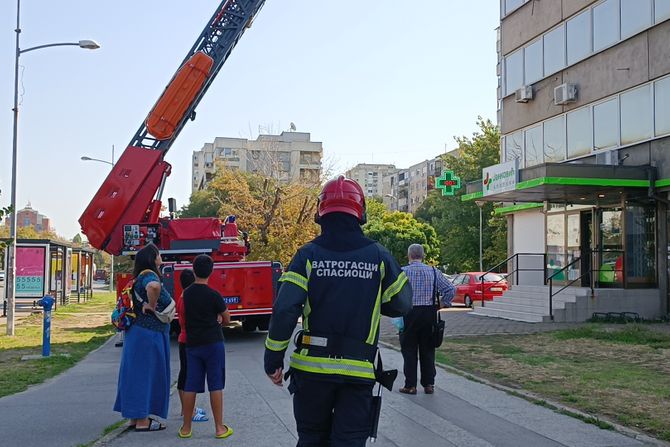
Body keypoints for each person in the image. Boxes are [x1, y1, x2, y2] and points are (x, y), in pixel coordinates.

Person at [264, 175, 413, 447]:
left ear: (321, 212)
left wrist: (273, 358)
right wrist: (370, 297)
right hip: (357, 374)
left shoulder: (306, 255)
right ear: (361, 212)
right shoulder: (379, 256)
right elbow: (402, 303)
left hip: (311, 373)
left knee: (311, 440)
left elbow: (285, 309)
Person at [113, 244, 171, 432]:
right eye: (158, 254)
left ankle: (135, 417)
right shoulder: (150, 276)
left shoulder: (138, 276)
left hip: (136, 332)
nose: (161, 256)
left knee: (135, 374)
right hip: (150, 333)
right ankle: (144, 421)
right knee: (149, 375)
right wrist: (152, 305)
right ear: (152, 258)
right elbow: (154, 287)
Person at [178, 254, 232, 439]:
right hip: (213, 343)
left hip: (193, 344)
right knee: (215, 385)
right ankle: (219, 428)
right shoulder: (214, 295)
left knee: (190, 385)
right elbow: (227, 318)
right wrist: (219, 321)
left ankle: (186, 428)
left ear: (194, 270)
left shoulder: (187, 294)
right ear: (211, 271)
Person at [399, 244, 455, 395]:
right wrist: (442, 304)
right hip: (429, 314)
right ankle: (429, 384)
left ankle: (410, 385)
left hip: (409, 314)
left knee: (409, 351)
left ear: (409, 255)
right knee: (428, 350)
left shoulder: (402, 272)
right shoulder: (433, 271)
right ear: (423, 256)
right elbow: (450, 289)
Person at [175, 269, 208, 423]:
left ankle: (185, 409)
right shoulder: (187, 299)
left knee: (185, 375)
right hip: (189, 340)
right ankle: (190, 411)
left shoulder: (182, 297)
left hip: (183, 339)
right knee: (188, 378)